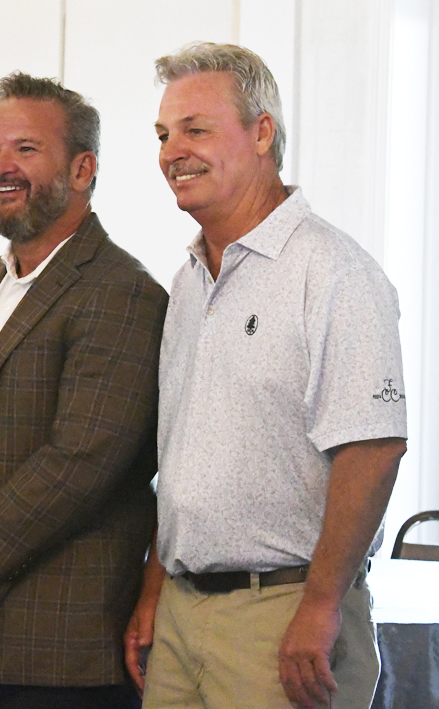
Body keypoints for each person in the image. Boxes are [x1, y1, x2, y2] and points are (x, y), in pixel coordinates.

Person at [126, 42, 408, 709]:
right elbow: (183, 459)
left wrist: (320, 605)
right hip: (182, 616)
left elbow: (373, 450)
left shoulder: (335, 273)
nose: (172, 152)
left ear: (261, 133)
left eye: (195, 130)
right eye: (164, 135)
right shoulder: (188, 282)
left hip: (285, 615)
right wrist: (154, 592)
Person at [0, 72, 168, 709]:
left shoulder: (124, 293)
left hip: (59, 656)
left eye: (25, 149)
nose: (1, 167)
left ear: (82, 169)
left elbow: (80, 462)